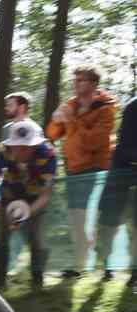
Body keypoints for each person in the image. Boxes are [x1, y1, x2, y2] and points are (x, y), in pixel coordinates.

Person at [47, 66, 118, 279]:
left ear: (94, 84)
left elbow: (93, 142)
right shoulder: (71, 105)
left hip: (98, 169)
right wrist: (56, 119)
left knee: (100, 220)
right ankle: (80, 266)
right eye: (75, 79)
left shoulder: (106, 108)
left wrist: (70, 120)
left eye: (82, 80)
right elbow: (51, 134)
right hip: (74, 170)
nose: (76, 83)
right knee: (76, 219)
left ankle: (108, 267)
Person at [0, 121, 56, 289]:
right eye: (17, 146)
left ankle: (37, 282)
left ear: (36, 144)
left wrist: (27, 212)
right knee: (2, 239)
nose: (22, 150)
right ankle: (0, 280)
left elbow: (45, 195)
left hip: (35, 200)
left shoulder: (48, 154)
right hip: (8, 199)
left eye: (27, 146)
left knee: (36, 240)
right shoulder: (2, 151)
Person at [95, 96, 136, 285]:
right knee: (109, 223)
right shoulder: (133, 107)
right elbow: (125, 144)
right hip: (122, 171)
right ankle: (107, 267)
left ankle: (134, 274)